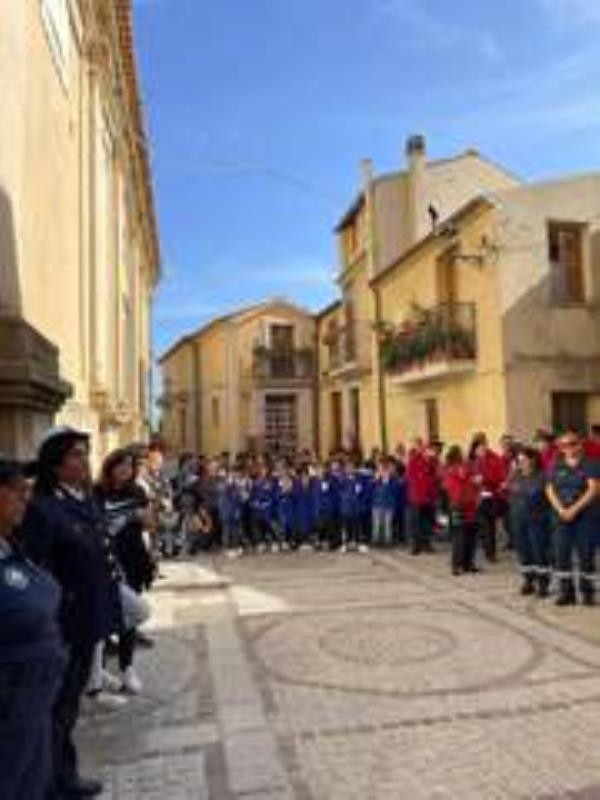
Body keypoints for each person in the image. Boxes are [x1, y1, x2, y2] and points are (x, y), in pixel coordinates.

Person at [20, 427, 114, 798]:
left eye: (85, 452)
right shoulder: (43, 508)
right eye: (76, 454)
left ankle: (63, 775)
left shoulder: (83, 499)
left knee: (68, 707)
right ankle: (53, 782)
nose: (84, 460)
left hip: (86, 618)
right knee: (55, 710)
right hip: (63, 623)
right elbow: (40, 571)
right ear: (56, 464)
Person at [0, 457, 66, 800]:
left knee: (33, 780)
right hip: (10, 700)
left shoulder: (10, 544)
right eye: (16, 490)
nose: (25, 497)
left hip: (34, 699)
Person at [94, 449, 154, 694]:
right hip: (107, 559)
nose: (125, 470)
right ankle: (97, 673)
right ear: (110, 466)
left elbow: (150, 524)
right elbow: (95, 527)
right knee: (103, 614)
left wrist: (142, 516)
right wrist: (127, 516)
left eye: (129, 466)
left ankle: (127, 667)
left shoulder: (137, 492)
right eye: (121, 465)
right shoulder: (96, 492)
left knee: (130, 617)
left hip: (134, 557)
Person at [546, 430, 599, 606]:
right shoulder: (556, 465)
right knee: (561, 554)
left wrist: (574, 510)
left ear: (580, 444)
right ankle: (566, 592)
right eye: (563, 445)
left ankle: (587, 592)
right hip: (561, 516)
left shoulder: (591, 464)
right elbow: (549, 489)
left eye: (572, 443)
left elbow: (593, 490)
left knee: (586, 555)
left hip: (585, 517)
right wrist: (561, 510)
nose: (568, 448)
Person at [509, 447, 552, 597]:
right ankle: (528, 580)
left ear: (533, 459)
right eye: (519, 460)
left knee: (539, 551)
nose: (522, 463)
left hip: (538, 521)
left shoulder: (543, 476)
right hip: (518, 520)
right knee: (524, 551)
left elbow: (550, 499)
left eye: (524, 460)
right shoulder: (515, 475)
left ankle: (543, 583)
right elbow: (510, 493)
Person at [468, 433, 507, 562]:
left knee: (489, 526)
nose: (480, 450)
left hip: (490, 497)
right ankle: (483, 549)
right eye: (478, 447)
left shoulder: (494, 458)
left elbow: (500, 477)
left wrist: (484, 479)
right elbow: (467, 475)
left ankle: (490, 553)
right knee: (480, 526)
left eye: (482, 446)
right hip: (475, 497)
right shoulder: (472, 460)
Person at [442, 446, 480, 575]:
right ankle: (456, 565)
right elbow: (455, 492)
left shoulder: (467, 468)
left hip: (471, 507)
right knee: (460, 538)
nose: (465, 455)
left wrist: (475, 484)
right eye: (462, 453)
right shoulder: (451, 472)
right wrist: (470, 483)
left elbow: (474, 484)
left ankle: (468, 564)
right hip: (459, 508)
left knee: (471, 537)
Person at [406, 440, 438, 554]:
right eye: (429, 450)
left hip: (429, 496)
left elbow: (436, 476)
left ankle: (427, 544)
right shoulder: (414, 460)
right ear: (424, 450)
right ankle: (416, 545)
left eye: (432, 450)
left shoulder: (433, 462)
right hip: (417, 496)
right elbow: (410, 476)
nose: (432, 452)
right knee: (416, 522)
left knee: (427, 522)